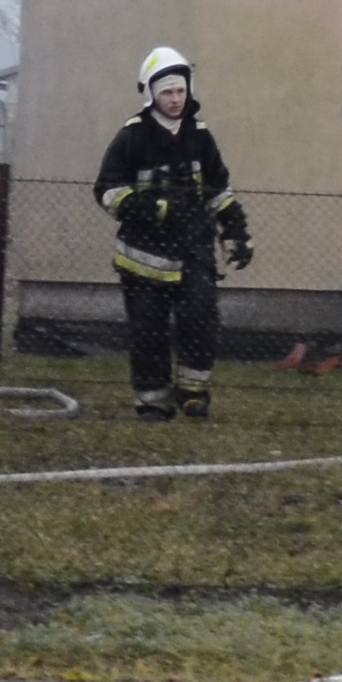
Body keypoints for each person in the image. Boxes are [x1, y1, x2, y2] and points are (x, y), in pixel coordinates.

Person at [96, 46, 250, 420]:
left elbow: (218, 190)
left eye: (180, 90)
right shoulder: (131, 138)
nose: (175, 99)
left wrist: (236, 233)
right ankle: (153, 401)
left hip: (194, 252)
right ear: (151, 94)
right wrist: (152, 208)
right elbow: (107, 189)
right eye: (167, 92)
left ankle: (194, 394)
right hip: (143, 258)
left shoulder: (200, 136)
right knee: (148, 332)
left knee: (201, 320)